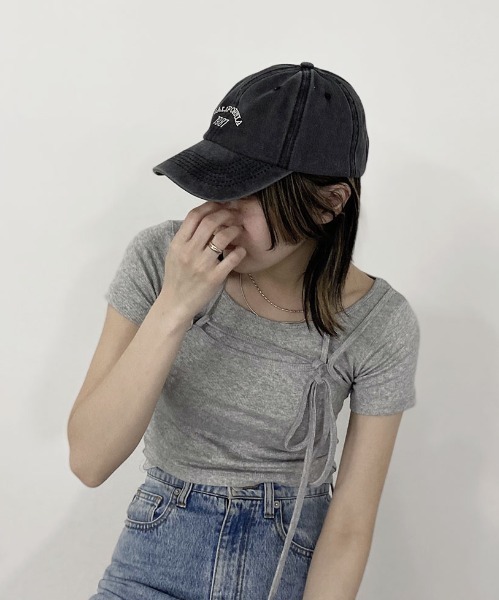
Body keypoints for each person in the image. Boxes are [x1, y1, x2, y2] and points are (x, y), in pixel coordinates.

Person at [67, 62, 420, 600]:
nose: (217, 217)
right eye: (214, 186)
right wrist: (175, 305)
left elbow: (350, 523)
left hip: (282, 574)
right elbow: (89, 461)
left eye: (247, 193)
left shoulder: (380, 323)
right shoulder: (159, 259)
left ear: (330, 203)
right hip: (152, 566)